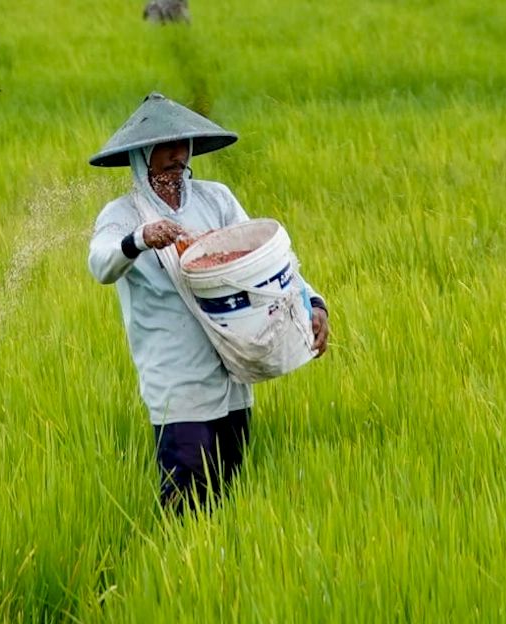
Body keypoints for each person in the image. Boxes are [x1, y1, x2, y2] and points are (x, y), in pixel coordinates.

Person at [87, 93, 329, 511]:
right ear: (141, 154)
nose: (176, 155)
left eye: (183, 144)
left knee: (229, 495)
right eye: (165, 146)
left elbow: (264, 261)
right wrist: (139, 240)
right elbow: (101, 264)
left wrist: (312, 302)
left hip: (232, 371)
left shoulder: (215, 199)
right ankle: (178, 571)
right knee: (187, 501)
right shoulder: (124, 214)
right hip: (176, 384)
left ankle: (216, 572)